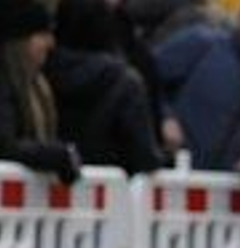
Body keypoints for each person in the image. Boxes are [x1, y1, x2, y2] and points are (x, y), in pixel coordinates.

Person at [152, 0, 240, 187]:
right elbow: (146, 77)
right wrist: (164, 118)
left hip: (222, 195)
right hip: (165, 175)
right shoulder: (201, 44)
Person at [0, 0, 80, 182]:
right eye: (42, 34)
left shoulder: (38, 85)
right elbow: (0, 145)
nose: (50, 43)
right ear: (19, 41)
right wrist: (52, 156)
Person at [45, 0, 164, 173]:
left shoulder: (39, 67)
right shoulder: (121, 77)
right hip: (108, 172)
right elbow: (145, 155)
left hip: (59, 167)